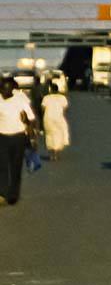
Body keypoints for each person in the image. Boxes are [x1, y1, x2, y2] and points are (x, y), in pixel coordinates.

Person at [0, 74, 38, 206]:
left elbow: (31, 119)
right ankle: (2, 193)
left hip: (18, 137)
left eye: (6, 89)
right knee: (2, 165)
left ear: (11, 90)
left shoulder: (19, 100)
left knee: (15, 167)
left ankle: (13, 194)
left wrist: (32, 137)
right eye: (1, 89)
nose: (3, 92)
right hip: (2, 137)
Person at [41, 87, 70, 160]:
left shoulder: (46, 98)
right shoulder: (62, 98)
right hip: (58, 117)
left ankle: (51, 154)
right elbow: (64, 108)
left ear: (50, 90)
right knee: (59, 134)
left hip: (48, 117)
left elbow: (43, 108)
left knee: (49, 134)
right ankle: (56, 154)